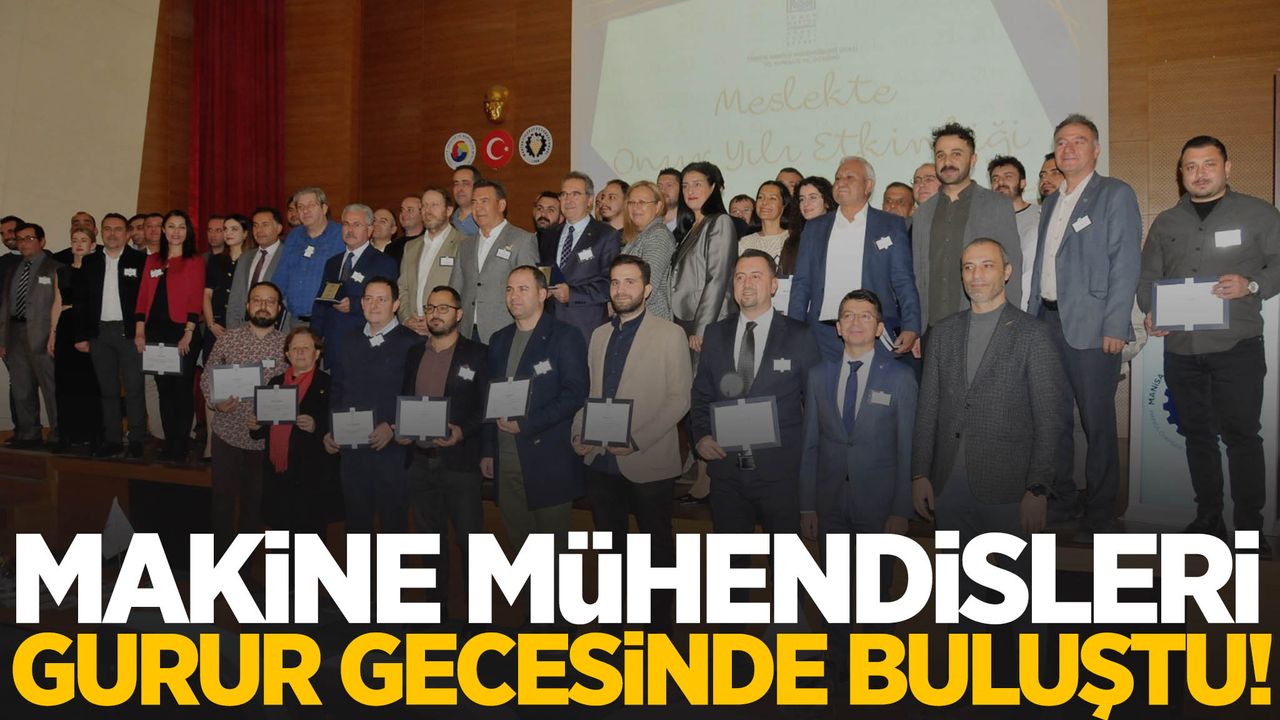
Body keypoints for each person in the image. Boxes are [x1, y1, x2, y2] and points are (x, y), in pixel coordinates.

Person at [1138, 135, 1280, 554]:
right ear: (1181, 173)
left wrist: (1251, 284)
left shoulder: (1259, 213)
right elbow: (1148, 277)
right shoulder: (1166, 223)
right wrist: (1152, 310)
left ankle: (1250, 529)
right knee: (1197, 435)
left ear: (1227, 168)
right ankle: (1209, 518)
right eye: (1191, 166)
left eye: (1209, 164)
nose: (1199, 174)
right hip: (1182, 349)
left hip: (1237, 346)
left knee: (1242, 436)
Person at [912, 238, 1070, 551]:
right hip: (947, 488)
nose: (977, 275)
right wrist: (919, 475)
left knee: (1019, 581)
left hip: (1011, 490)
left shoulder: (1034, 334)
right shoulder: (942, 333)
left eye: (987, 266)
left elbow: (1050, 419)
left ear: (1007, 272)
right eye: (968, 267)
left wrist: (1038, 489)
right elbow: (927, 409)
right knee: (955, 581)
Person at [1027, 113, 1142, 537]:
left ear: (1096, 149)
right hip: (1047, 323)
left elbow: (1125, 263)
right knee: (1053, 419)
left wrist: (1115, 324)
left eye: (1078, 140)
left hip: (1093, 328)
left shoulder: (1114, 193)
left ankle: (1100, 511)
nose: (1069, 148)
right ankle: (1062, 499)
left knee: (1098, 424)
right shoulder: (1051, 201)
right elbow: (1044, 265)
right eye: (1061, 141)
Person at [571, 256, 690, 628]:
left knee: (657, 551)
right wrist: (578, 431)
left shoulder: (670, 334)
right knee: (611, 549)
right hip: (601, 461)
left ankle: (658, 631)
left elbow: (679, 399)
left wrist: (636, 441)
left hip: (647, 458)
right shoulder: (599, 335)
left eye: (630, 282)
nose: (620, 289)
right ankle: (615, 628)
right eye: (615, 282)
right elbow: (591, 393)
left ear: (647, 290)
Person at [690, 251, 821, 533]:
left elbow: (816, 408)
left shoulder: (800, 336)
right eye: (740, 277)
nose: (746, 283)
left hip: (781, 476)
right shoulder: (714, 334)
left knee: (785, 559)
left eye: (756, 276)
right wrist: (701, 437)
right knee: (730, 560)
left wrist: (811, 479)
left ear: (774, 285)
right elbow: (701, 395)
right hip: (726, 473)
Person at [481, 265, 588, 553]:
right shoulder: (499, 340)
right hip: (505, 459)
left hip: (547, 459)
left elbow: (575, 393)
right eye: (509, 289)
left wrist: (526, 423)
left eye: (523, 289)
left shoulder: (565, 336)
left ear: (542, 294)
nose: (514, 296)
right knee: (520, 547)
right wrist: (488, 450)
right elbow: (489, 397)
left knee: (553, 550)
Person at [800, 288, 916, 541]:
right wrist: (807, 506)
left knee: (876, 570)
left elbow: (907, 449)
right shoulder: (818, 376)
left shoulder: (901, 378)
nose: (855, 322)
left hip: (881, 508)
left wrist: (901, 510)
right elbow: (810, 446)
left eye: (865, 316)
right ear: (838, 327)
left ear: (879, 328)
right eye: (848, 316)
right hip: (828, 505)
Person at [400, 285, 489, 612]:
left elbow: (486, 407)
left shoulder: (478, 354)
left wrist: (462, 431)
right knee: (429, 542)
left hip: (460, 464)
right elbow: (405, 397)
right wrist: (401, 429)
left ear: (459, 314)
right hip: (420, 462)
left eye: (443, 308)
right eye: (430, 308)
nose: (435, 314)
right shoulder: (414, 353)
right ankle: (435, 611)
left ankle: (477, 618)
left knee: (470, 543)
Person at [789, 156, 921, 362]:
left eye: (849, 177)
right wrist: (793, 328)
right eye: (837, 178)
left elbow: (903, 280)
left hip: (874, 332)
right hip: (823, 335)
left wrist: (911, 326)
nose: (841, 183)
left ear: (868, 185)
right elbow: (802, 283)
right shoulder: (815, 227)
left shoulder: (891, 225)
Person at [323, 277, 423, 533]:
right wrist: (331, 428)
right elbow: (337, 389)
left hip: (392, 451)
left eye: (382, 299)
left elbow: (418, 394)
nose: (374, 305)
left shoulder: (412, 344)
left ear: (396, 305)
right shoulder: (348, 340)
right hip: (352, 450)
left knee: (394, 526)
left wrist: (394, 426)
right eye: (368, 298)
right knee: (356, 525)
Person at [199, 281, 287, 553]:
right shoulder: (228, 339)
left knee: (254, 507)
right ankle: (219, 565)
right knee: (221, 503)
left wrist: (270, 418)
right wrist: (216, 402)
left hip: (264, 443)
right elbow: (207, 377)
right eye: (257, 300)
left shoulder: (289, 345)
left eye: (270, 301)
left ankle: (245, 568)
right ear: (248, 306)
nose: (263, 306)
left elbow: (293, 392)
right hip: (227, 436)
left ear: (279, 308)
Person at [911, 122, 1022, 332]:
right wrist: (916, 329)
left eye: (956, 154)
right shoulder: (923, 213)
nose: (947, 162)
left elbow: (1012, 267)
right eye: (941, 155)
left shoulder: (997, 205)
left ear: (973, 159)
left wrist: (1010, 325)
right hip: (931, 328)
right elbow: (918, 274)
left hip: (983, 325)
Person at [252, 326, 341, 537]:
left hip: (312, 479)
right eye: (294, 348)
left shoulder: (329, 385)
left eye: (306, 348)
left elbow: (339, 428)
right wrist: (255, 426)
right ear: (287, 354)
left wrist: (317, 426)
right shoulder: (275, 383)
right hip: (278, 477)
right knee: (279, 542)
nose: (300, 352)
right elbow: (262, 431)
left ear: (317, 353)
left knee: (310, 543)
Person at [134, 210, 205, 461]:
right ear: (164, 230)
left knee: (182, 388)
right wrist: (139, 331)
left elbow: (196, 297)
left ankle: (182, 444)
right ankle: (170, 441)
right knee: (163, 389)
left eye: (181, 227)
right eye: (171, 226)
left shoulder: (194, 260)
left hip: (183, 331)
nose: (176, 232)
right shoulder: (153, 260)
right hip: (155, 332)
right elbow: (143, 296)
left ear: (188, 232)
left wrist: (189, 332)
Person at [78, 212, 147, 458]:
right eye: (107, 229)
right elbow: (81, 301)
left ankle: (137, 439)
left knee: (134, 388)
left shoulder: (140, 260)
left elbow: (146, 299)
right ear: (101, 233)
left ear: (127, 234)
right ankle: (113, 440)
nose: (112, 233)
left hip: (130, 333)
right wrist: (81, 335)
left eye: (118, 229)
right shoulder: (90, 261)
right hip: (99, 334)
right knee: (107, 390)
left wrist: (141, 331)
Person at [310, 204, 400, 377]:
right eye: (346, 224)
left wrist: (355, 305)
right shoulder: (333, 263)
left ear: (370, 229)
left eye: (356, 225)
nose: (350, 230)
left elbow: (387, 305)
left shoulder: (384, 263)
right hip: (333, 347)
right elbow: (321, 303)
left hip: (365, 346)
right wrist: (313, 338)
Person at [450, 179, 539, 343]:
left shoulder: (522, 240)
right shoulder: (465, 245)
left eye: (484, 201)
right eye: (474, 202)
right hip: (467, 332)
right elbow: (455, 287)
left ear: (501, 205)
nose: (478, 208)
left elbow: (530, 290)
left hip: (505, 331)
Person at [537, 171, 622, 344]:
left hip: (586, 327)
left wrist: (572, 294)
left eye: (575, 194)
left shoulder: (606, 235)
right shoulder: (549, 235)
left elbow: (611, 283)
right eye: (564, 194)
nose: (568, 200)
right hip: (550, 325)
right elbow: (546, 272)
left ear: (589, 200)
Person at [0, 223, 62, 448]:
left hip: (43, 335)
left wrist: (54, 335)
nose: (23, 243)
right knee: (21, 387)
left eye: (29, 238)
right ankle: (28, 434)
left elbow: (60, 305)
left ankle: (58, 434)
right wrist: (2, 340)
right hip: (14, 334)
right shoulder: (12, 269)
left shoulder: (56, 268)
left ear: (42, 241)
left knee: (51, 387)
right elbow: (5, 306)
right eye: (20, 239)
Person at [671, 161, 738, 356]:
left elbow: (717, 278)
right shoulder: (691, 226)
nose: (690, 191)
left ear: (713, 187)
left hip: (707, 320)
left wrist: (702, 328)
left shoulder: (720, 222)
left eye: (697, 184)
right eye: (685, 186)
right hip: (683, 317)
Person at [50, 228, 101, 454]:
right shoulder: (62, 271)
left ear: (93, 245)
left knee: (90, 382)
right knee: (65, 382)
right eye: (74, 240)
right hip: (66, 325)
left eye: (84, 240)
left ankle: (93, 435)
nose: (78, 244)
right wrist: (52, 333)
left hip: (89, 326)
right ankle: (67, 435)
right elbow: (57, 303)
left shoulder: (99, 270)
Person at [271, 187, 344, 325]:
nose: (305, 211)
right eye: (300, 207)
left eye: (311, 205)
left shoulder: (341, 236)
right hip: (295, 321)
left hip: (330, 320)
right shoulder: (293, 236)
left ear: (324, 208)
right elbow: (281, 274)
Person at [398, 188, 463, 335]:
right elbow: (403, 288)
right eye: (424, 206)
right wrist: (407, 319)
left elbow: (465, 291)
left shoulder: (464, 244)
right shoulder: (410, 247)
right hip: (413, 330)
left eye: (434, 205)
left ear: (448, 210)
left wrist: (435, 321)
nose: (428, 211)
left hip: (446, 332)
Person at [988, 155, 1040, 308]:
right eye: (995, 179)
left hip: (1033, 303)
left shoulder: (1041, 215)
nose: (1000, 183)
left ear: (1023, 183)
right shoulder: (985, 220)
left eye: (1008, 177)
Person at [620, 181, 676, 320]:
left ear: (658, 206)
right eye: (631, 203)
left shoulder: (658, 235)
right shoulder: (639, 235)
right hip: (633, 316)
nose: (635, 207)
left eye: (642, 202)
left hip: (649, 320)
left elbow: (649, 285)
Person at [226, 207, 285, 331]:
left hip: (274, 329)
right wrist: (232, 330)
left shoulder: (287, 256)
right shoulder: (245, 257)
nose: (259, 230)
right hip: (242, 328)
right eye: (255, 225)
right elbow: (235, 297)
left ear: (278, 228)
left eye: (265, 225)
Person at [783, 176, 836, 276]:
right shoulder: (793, 240)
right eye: (802, 199)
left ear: (827, 202)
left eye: (813, 197)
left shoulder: (838, 234)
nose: (806, 204)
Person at [738, 180, 791, 263]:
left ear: (783, 205)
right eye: (760, 197)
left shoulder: (792, 239)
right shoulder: (745, 242)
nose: (764, 202)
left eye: (772, 198)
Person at [387, 194, 425, 265]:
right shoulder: (391, 247)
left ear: (422, 214)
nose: (403, 214)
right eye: (402, 210)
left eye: (410, 210)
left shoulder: (429, 242)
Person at [451, 165, 482, 235]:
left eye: (465, 183)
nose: (459, 189)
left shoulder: (486, 221)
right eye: (456, 184)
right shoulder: (446, 221)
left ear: (477, 187)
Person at [656, 167, 681, 233]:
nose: (662, 190)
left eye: (669, 185)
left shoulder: (690, 224)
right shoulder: (649, 222)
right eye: (659, 186)